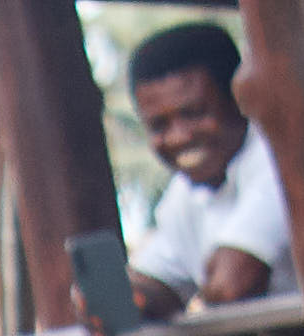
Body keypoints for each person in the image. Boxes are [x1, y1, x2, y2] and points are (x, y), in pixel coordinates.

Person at [119, 19, 285, 315]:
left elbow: (233, 283)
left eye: (193, 113)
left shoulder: (278, 160)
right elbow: (154, 285)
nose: (179, 137)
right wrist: (113, 299)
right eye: (159, 125)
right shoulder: (182, 197)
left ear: (240, 99)